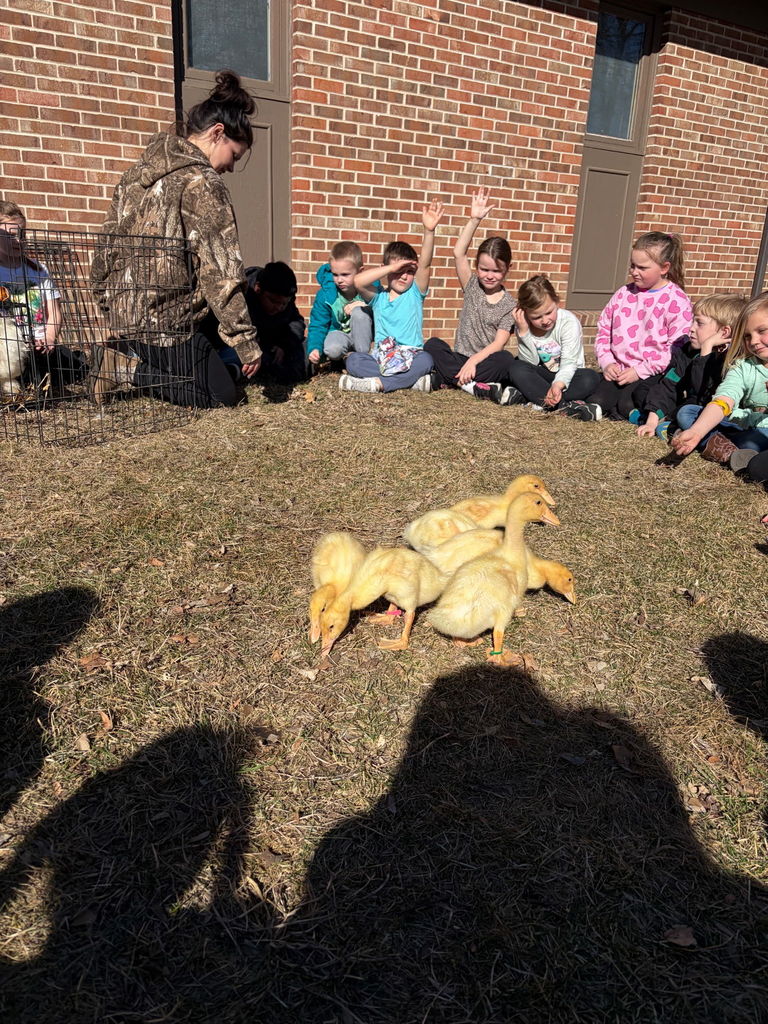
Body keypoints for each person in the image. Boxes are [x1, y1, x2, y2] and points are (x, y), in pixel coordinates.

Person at [90, 69, 261, 408]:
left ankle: (125, 352)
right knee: (222, 396)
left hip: (126, 317)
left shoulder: (134, 177)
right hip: (168, 325)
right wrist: (245, 341)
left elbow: (108, 239)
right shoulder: (203, 182)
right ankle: (126, 370)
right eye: (234, 156)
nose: (230, 167)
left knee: (208, 362)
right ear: (217, 133)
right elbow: (220, 269)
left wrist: (105, 298)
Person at [560, 232, 693, 421]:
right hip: (619, 370)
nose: (634, 271)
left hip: (652, 373)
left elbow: (676, 349)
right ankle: (591, 407)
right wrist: (607, 362)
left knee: (629, 402)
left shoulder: (677, 301)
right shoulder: (623, 293)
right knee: (598, 398)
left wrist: (639, 371)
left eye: (642, 267)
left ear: (664, 268)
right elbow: (604, 330)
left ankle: (640, 412)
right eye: (632, 265)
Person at [340, 200, 444, 394]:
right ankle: (411, 382)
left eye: (409, 271)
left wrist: (429, 231)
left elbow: (426, 264)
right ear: (388, 271)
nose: (404, 276)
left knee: (427, 360)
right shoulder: (379, 297)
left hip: (411, 355)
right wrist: (392, 266)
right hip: (382, 357)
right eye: (399, 271)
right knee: (354, 360)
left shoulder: (415, 293)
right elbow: (359, 281)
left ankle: (379, 384)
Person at [424, 187, 516, 401]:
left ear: (507, 269)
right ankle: (471, 385)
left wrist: (474, 361)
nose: (489, 276)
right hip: (459, 357)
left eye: (496, 271)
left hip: (483, 361)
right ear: (477, 267)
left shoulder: (509, 304)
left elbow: (498, 343)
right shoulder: (472, 285)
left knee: (505, 360)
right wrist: (474, 219)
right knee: (432, 344)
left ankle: (448, 379)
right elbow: (459, 252)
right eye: (484, 269)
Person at [670, 292, 768, 466]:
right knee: (688, 413)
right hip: (742, 424)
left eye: (762, 331)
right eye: (747, 335)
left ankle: (728, 450)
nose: (753, 341)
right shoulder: (743, 366)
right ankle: (732, 452)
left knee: (754, 439)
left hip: (763, 431)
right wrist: (697, 431)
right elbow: (724, 399)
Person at [0, 200, 86, 392]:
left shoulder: (37, 270)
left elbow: (54, 312)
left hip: (38, 346)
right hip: (8, 351)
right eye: (11, 235)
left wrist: (49, 337)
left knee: (75, 368)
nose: (18, 241)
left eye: (22, 235)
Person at [634, 293, 745, 441]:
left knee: (685, 412)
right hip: (690, 403)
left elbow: (702, 393)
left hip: (711, 412)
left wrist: (706, 349)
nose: (691, 328)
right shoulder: (688, 351)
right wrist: (651, 422)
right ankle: (658, 421)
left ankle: (674, 427)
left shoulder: (733, 360)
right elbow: (669, 385)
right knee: (642, 391)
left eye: (699, 323)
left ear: (724, 332)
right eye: (693, 321)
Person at [502, 275, 599, 410]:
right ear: (526, 314)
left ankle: (533, 398)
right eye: (537, 317)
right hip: (542, 376)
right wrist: (524, 332)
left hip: (568, 376)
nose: (545, 320)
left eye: (549, 312)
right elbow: (530, 363)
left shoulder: (568, 322)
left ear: (556, 302)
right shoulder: (524, 325)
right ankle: (563, 406)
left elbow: (569, 363)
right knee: (516, 367)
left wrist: (558, 385)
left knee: (590, 378)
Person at [306, 241, 373, 369]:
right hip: (340, 334)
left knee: (359, 312)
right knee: (332, 349)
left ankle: (362, 360)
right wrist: (314, 348)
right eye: (335, 274)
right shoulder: (326, 294)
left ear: (360, 271)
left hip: (364, 335)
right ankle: (342, 359)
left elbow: (385, 311)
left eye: (345, 274)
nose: (339, 280)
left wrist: (364, 305)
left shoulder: (371, 289)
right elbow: (318, 324)